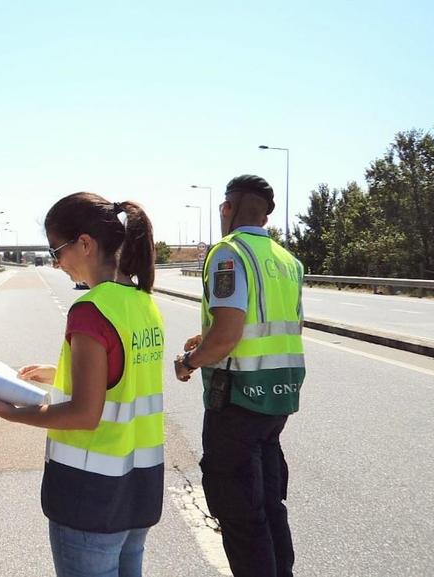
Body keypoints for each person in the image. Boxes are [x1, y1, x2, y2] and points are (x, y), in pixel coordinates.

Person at [0, 192, 164, 577]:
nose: (56, 262)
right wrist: (58, 372)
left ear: (84, 243)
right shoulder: (143, 302)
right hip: (138, 491)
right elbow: (123, 378)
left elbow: (84, 413)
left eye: (56, 250)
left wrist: (12, 414)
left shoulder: (91, 309)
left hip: (90, 498)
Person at [174, 174, 305, 577]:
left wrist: (190, 361)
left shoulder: (229, 254)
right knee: (268, 506)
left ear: (228, 208)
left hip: (237, 400)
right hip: (277, 400)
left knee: (240, 515)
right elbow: (265, 325)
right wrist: (211, 336)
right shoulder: (287, 260)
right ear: (267, 213)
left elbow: (229, 334)